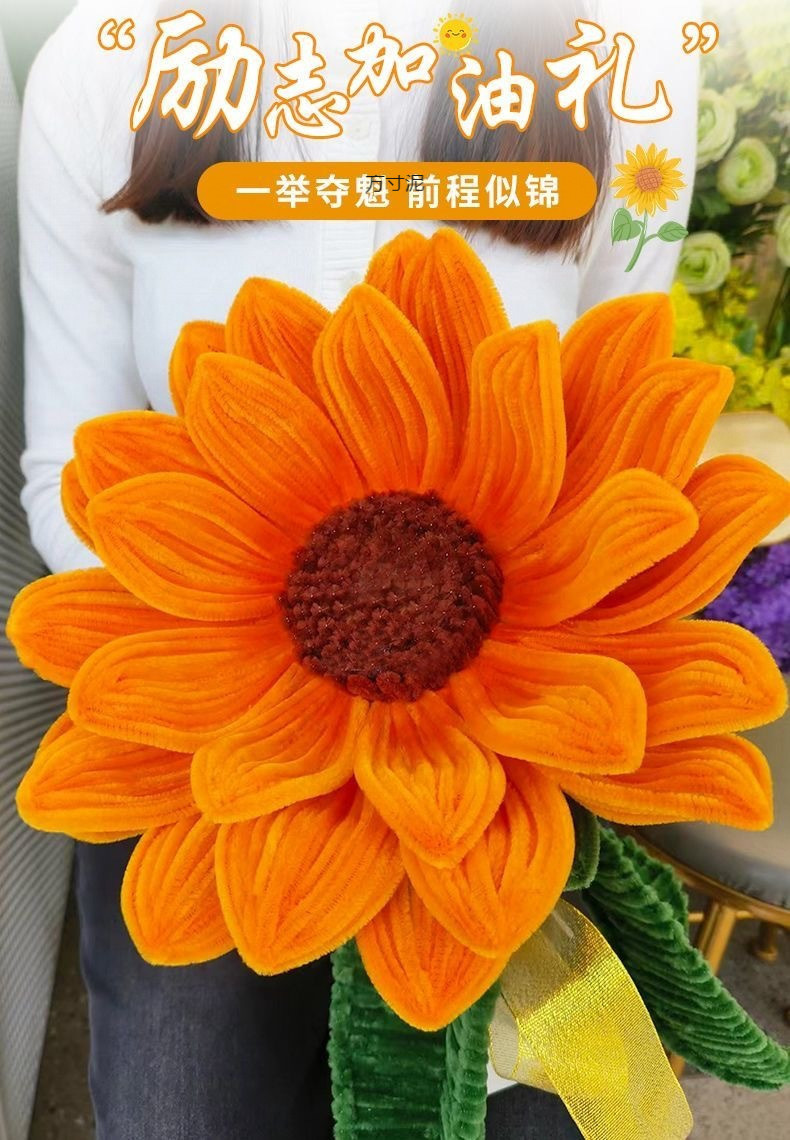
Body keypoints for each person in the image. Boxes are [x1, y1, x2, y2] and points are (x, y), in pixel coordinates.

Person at [17, 1, 699, 1135]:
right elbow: (70, 472)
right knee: (182, 1103)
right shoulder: (111, 55)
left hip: (504, 735)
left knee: (535, 1102)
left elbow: (611, 434)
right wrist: (265, 686)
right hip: (207, 717)